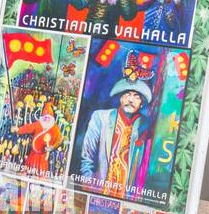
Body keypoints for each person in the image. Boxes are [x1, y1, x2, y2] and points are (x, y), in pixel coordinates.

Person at [78, 70, 152, 199]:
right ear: (120, 98)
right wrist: (88, 184)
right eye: (127, 94)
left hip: (127, 195)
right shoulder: (101, 117)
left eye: (136, 96)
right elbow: (87, 155)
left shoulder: (145, 125)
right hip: (100, 189)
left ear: (141, 103)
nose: (130, 99)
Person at [14, 102, 62, 177]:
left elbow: (59, 140)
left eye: (48, 117)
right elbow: (29, 127)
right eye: (45, 117)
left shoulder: (55, 128)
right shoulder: (39, 124)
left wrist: (52, 147)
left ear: (52, 118)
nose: (46, 119)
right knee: (28, 167)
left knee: (42, 171)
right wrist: (19, 130)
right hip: (34, 153)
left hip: (44, 154)